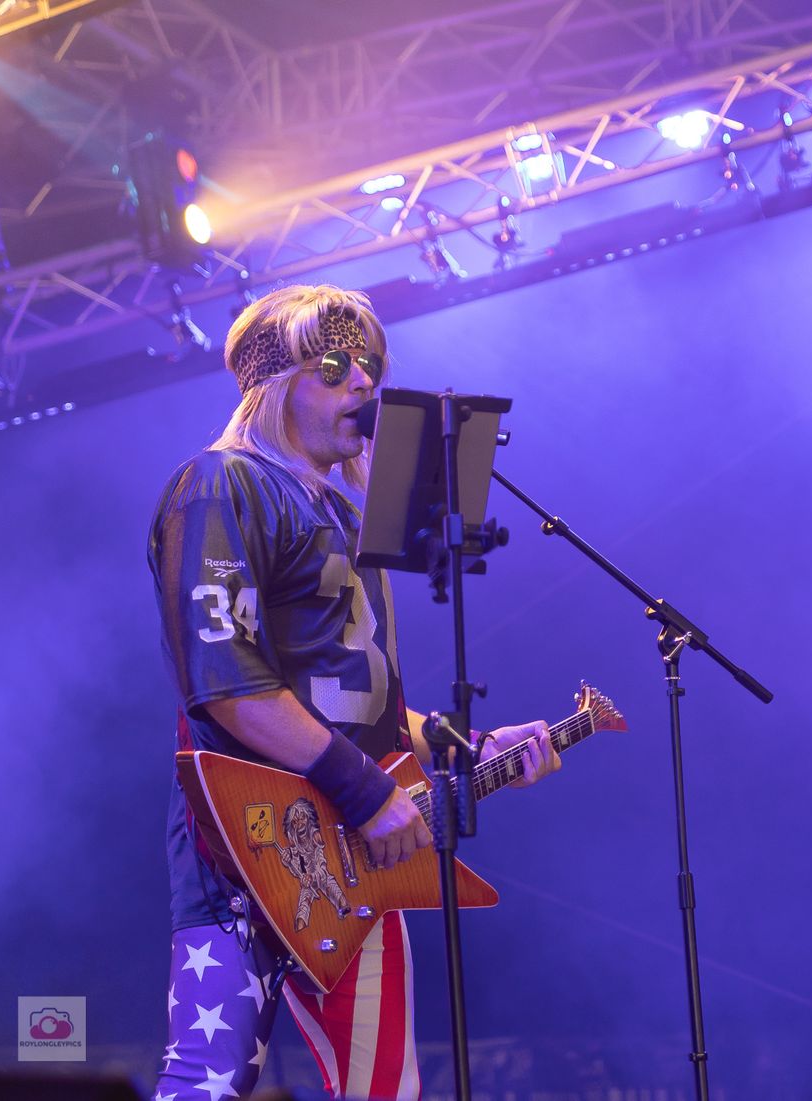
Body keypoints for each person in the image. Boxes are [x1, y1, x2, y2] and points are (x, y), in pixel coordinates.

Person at [147, 284, 561, 1100]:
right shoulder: (220, 485)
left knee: (384, 1090)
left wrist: (469, 746)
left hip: (355, 856)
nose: (363, 382)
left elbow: (354, 697)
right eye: (333, 365)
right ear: (274, 386)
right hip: (241, 853)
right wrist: (368, 790)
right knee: (205, 1082)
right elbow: (227, 682)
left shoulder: (341, 513)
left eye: (369, 365)